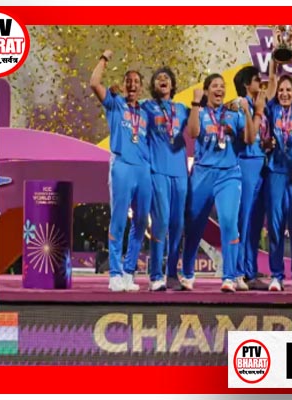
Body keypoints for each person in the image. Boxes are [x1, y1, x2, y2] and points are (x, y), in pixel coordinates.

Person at [182, 73, 259, 292]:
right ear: (206, 91)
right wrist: (195, 103)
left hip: (229, 175)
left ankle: (230, 276)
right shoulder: (200, 112)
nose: (219, 89)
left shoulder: (233, 114)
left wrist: (247, 111)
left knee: (229, 222)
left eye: (222, 86)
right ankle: (187, 273)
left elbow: (250, 139)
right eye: (214, 86)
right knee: (194, 224)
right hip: (202, 174)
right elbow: (193, 133)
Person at [89, 49, 149, 292]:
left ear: (141, 88)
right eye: (128, 81)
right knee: (119, 220)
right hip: (122, 166)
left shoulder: (146, 111)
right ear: (123, 85)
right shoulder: (115, 103)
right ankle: (114, 273)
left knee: (141, 222)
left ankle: (128, 271)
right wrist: (103, 59)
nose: (132, 85)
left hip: (143, 169)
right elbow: (94, 83)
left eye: (136, 82)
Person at [262, 26, 292, 292]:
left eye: (289, 90)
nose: (285, 93)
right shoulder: (272, 107)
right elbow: (272, 76)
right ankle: (277, 275)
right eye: (282, 90)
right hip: (276, 173)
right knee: (276, 226)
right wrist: (275, 50)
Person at [142, 66, 193, 291]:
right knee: (160, 223)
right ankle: (155, 275)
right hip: (158, 171)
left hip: (180, 172)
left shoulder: (181, 109)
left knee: (177, 224)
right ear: (154, 86)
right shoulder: (146, 107)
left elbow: (200, 121)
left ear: (172, 85)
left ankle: (172, 274)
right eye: (158, 78)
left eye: (167, 78)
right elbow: (127, 107)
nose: (163, 80)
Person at [233, 66, 270, 290]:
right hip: (245, 164)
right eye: (257, 80)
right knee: (243, 221)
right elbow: (249, 137)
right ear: (247, 83)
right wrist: (257, 111)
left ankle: (250, 270)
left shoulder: (258, 105)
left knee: (255, 223)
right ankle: (238, 272)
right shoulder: (240, 105)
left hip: (260, 164)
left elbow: (259, 137)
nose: (261, 83)